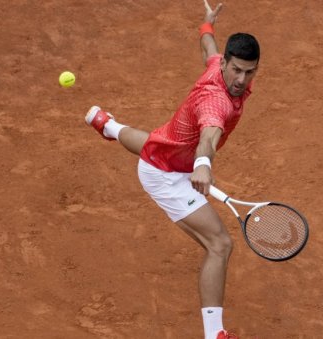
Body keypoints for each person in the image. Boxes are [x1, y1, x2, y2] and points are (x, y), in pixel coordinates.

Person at [84, 1, 259, 338]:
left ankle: (107, 125)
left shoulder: (217, 64)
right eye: (236, 70)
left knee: (152, 143)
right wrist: (203, 164)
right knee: (220, 246)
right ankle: (214, 335)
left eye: (250, 71)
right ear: (225, 64)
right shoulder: (216, 100)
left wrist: (207, 25)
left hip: (168, 147)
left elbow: (208, 47)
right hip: (167, 175)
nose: (241, 79)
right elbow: (209, 133)